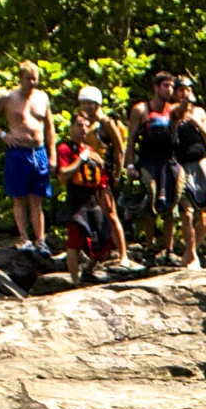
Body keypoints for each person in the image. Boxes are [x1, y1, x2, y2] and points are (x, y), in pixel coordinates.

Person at [59, 84, 126, 282]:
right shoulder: (73, 136)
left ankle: (123, 255)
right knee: (78, 233)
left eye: (91, 103)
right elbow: (64, 172)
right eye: (84, 103)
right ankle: (76, 279)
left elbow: (119, 148)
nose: (87, 107)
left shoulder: (105, 123)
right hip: (80, 187)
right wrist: (82, 158)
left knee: (108, 220)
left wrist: (117, 172)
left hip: (99, 181)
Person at [0, 61, 54, 258]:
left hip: (39, 151)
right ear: (21, 79)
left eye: (35, 79)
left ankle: (40, 240)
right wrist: (2, 135)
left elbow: (50, 127)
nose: (32, 82)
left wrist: (53, 155)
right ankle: (24, 237)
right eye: (29, 79)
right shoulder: (9, 97)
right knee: (19, 197)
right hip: (18, 152)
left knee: (37, 199)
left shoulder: (42, 97)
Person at [170, 75, 206, 270]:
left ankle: (189, 252)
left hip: (201, 164)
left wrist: (197, 124)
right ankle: (192, 257)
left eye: (188, 89)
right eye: (181, 89)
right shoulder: (170, 113)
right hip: (181, 167)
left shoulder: (199, 112)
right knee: (187, 213)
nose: (185, 93)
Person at [131, 72, 179, 261]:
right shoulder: (141, 109)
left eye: (171, 87)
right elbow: (131, 139)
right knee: (150, 198)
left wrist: (187, 101)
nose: (169, 90)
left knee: (171, 203)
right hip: (147, 159)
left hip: (168, 160)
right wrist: (128, 165)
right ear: (156, 87)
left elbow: (182, 114)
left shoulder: (174, 109)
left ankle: (169, 249)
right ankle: (149, 246)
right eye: (165, 86)